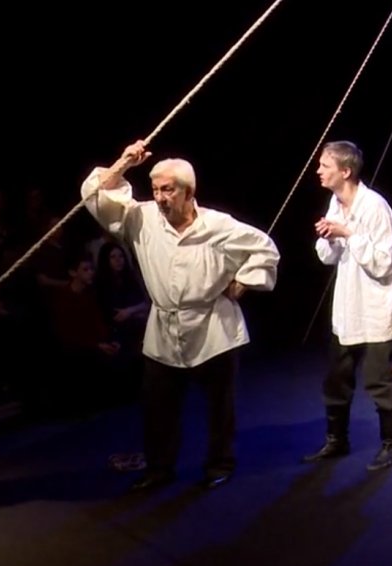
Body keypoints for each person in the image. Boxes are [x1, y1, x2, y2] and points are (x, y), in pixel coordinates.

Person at [80, 140, 281, 491]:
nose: (160, 197)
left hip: (213, 328)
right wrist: (124, 162)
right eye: (156, 189)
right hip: (164, 329)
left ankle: (219, 464)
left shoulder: (218, 225)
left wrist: (243, 282)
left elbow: (264, 249)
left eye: (168, 190)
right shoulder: (141, 218)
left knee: (220, 406)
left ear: (189, 192)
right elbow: (96, 196)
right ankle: (159, 468)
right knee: (158, 406)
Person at [301, 141, 392, 471]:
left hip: (376, 307)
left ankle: (391, 444)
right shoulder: (335, 204)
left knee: (378, 380)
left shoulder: (375, 207)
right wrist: (331, 237)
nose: (318, 171)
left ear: (345, 171)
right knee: (337, 379)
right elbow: (328, 257)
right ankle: (337, 440)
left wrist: (348, 233)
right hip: (349, 307)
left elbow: (383, 263)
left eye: (325, 165)